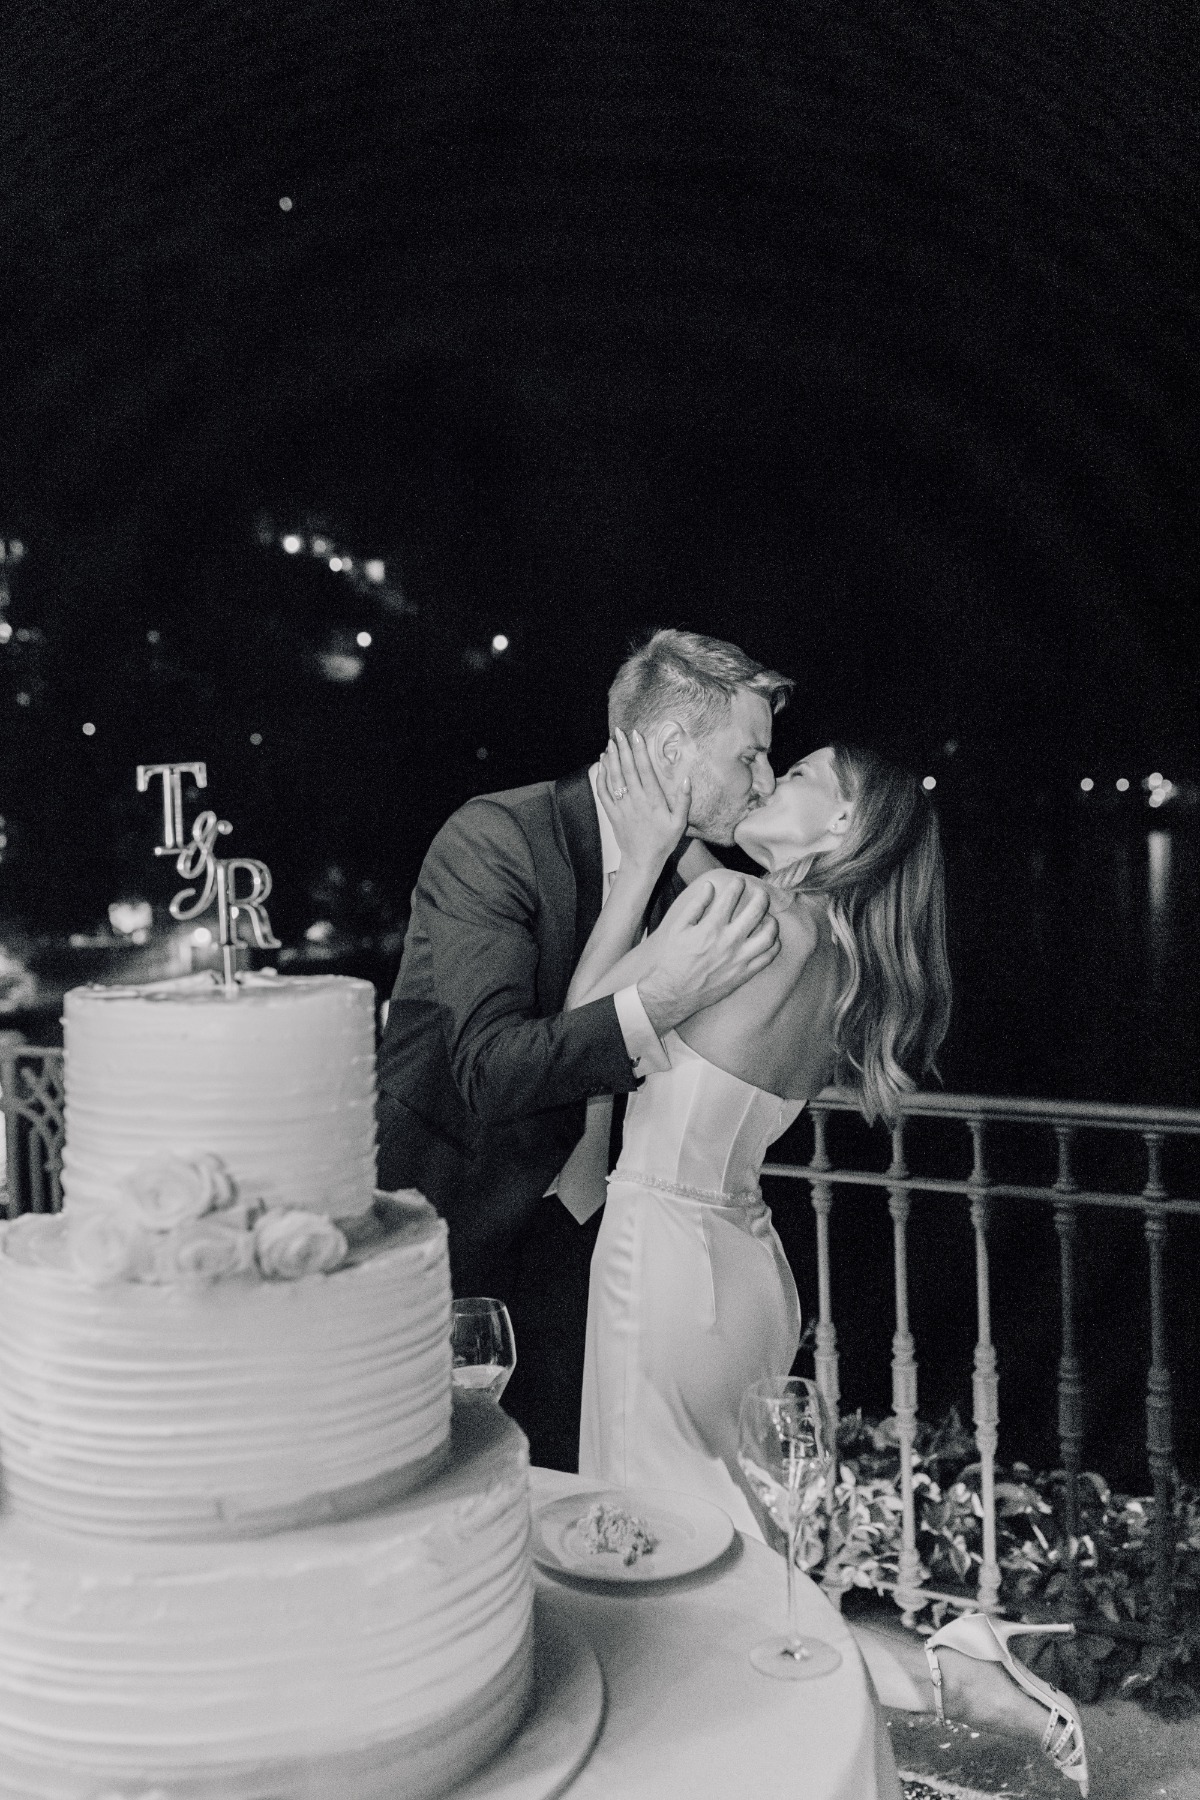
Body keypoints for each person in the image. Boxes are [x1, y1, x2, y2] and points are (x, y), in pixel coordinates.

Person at [572, 732, 1087, 1795]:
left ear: (843, 826)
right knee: (735, 1556)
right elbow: (714, 869)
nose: (774, 779)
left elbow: (585, 1029)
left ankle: (948, 1679)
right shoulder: (836, 947)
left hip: (663, 1260)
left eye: (799, 774)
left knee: (664, 1568)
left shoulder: (739, 916)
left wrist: (632, 875)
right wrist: (683, 822)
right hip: (750, 1269)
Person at [376, 628, 792, 1469]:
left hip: (598, 1244)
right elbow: (491, 1072)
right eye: (749, 757)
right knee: (450, 1501)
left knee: (573, 1501)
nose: (766, 781)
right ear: (673, 747)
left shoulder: (694, 881)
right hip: (462, 1238)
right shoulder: (496, 839)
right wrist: (662, 994)